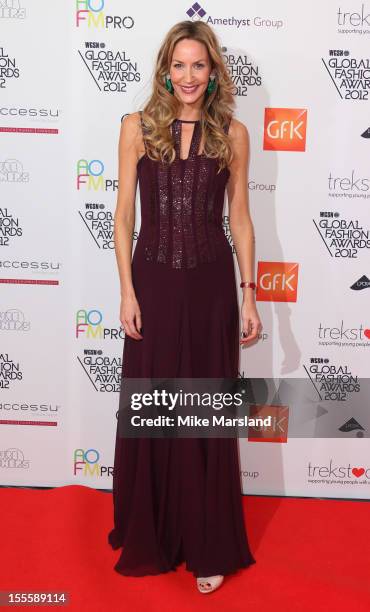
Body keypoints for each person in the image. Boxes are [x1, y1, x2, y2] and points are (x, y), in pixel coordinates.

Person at [108, 20, 262, 594]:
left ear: (213, 71)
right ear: (165, 70)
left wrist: (249, 293)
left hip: (209, 287)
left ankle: (207, 542)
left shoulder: (234, 135)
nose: (189, 76)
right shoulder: (135, 128)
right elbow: (124, 216)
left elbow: (240, 220)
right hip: (151, 281)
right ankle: (151, 529)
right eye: (179, 65)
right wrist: (126, 290)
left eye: (199, 65)